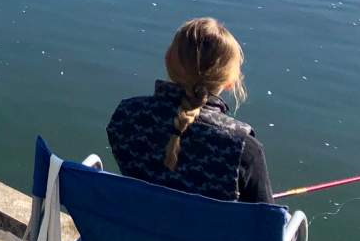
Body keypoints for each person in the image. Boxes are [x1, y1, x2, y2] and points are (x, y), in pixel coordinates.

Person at [106, 17, 272, 203]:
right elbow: (266, 226)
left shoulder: (126, 117)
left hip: (134, 227)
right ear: (229, 82)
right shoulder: (244, 148)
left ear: (168, 60)